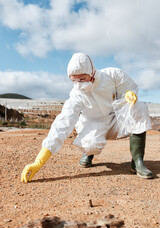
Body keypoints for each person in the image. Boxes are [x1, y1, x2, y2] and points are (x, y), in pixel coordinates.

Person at [21, 52, 153, 183]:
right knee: (90, 146)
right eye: (74, 80)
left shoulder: (113, 75)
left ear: (92, 73)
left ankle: (137, 162)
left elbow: (128, 87)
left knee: (139, 107)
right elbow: (62, 123)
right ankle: (89, 153)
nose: (78, 84)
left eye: (82, 79)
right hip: (93, 123)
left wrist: (129, 93)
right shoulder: (76, 95)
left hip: (115, 120)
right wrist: (38, 162)